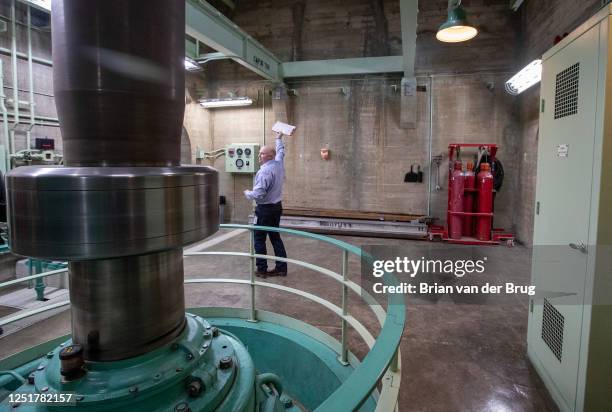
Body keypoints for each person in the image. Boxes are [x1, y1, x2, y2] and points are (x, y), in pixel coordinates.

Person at [244, 132, 288, 277]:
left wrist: (247, 193)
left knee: (259, 239)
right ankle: (281, 268)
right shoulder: (278, 163)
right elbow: (281, 151)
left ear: (269, 156)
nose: (259, 156)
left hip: (264, 210)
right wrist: (278, 138)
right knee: (275, 237)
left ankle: (261, 269)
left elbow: (258, 194)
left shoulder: (265, 172)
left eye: (262, 154)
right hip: (276, 208)